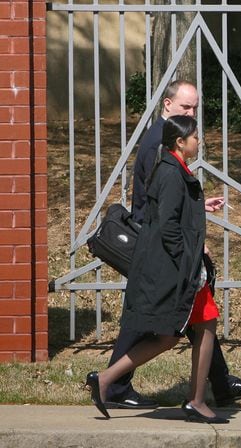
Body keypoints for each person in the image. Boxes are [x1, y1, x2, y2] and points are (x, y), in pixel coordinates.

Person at [104, 80, 241, 410]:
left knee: (193, 318)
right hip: (157, 244)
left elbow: (170, 197)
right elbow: (161, 206)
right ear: (167, 105)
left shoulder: (167, 140)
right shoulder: (160, 145)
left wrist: (196, 204)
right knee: (156, 318)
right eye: (185, 107)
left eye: (195, 107)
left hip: (163, 240)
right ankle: (113, 381)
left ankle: (215, 386)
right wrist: (189, 248)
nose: (191, 113)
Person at [86, 116, 227, 423]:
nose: (198, 141)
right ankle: (196, 400)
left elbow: (169, 209)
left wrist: (200, 206)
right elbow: (168, 225)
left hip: (174, 266)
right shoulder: (171, 172)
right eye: (195, 137)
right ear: (180, 142)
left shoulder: (171, 168)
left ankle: (106, 379)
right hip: (175, 267)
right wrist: (188, 261)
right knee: (202, 326)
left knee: (172, 335)